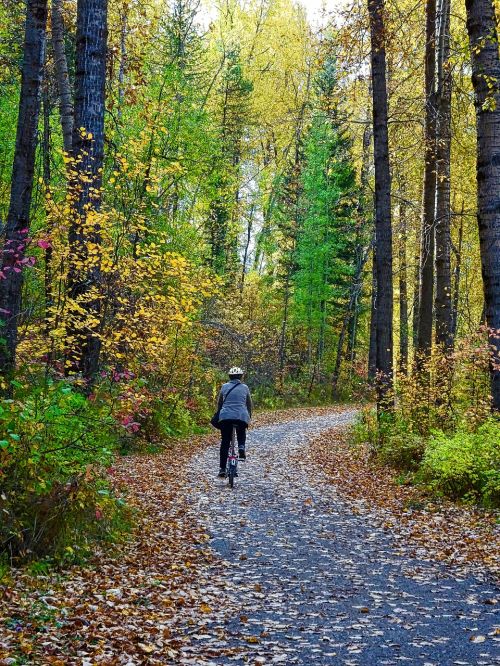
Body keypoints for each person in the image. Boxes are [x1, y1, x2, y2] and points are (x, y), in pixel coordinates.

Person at [216, 366, 253, 477]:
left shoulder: (224, 387)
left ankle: (222, 468)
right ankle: (241, 447)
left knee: (225, 442)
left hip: (226, 417)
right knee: (241, 430)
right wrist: (248, 417)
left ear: (229, 376)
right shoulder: (245, 387)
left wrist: (219, 414)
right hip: (241, 415)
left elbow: (219, 403)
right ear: (241, 376)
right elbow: (249, 404)